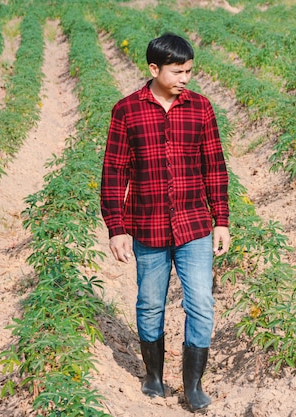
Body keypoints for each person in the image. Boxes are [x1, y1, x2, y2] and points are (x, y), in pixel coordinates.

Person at [100, 32, 230, 412]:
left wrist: (220, 220)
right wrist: (117, 227)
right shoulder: (126, 110)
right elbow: (113, 173)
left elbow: (215, 168)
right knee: (150, 303)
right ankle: (154, 376)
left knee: (202, 303)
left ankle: (193, 386)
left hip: (193, 225)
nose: (185, 78)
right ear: (154, 69)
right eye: (177, 71)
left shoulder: (200, 108)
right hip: (148, 226)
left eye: (189, 71)